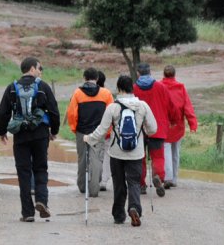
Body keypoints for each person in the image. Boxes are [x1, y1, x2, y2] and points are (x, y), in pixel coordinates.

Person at [83, 75, 157, 226]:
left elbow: (102, 131)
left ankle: (118, 215)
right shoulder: (142, 106)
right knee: (134, 182)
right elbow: (153, 129)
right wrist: (143, 131)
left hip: (116, 152)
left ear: (119, 88)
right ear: (132, 88)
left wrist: (88, 139)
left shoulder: (113, 107)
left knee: (119, 183)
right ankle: (134, 208)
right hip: (136, 153)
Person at [0, 57, 60, 222]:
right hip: (40, 134)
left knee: (24, 173)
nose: (40, 71)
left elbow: (3, 111)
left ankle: (27, 213)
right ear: (32, 68)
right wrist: (53, 131)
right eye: (39, 68)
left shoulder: (12, 88)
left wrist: (2, 131)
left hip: (20, 135)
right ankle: (41, 201)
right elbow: (54, 110)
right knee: (40, 168)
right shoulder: (43, 87)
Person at [133, 63, 179, 197]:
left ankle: (141, 184)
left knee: (139, 157)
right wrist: (174, 120)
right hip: (158, 128)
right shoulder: (161, 87)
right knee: (158, 156)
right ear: (150, 73)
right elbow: (171, 106)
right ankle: (158, 176)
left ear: (138, 73)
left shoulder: (134, 88)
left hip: (139, 128)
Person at [67, 67, 114, 197]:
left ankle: (82, 186)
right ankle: (94, 188)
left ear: (84, 78)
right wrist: (107, 130)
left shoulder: (77, 93)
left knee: (82, 158)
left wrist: (75, 129)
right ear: (97, 78)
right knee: (97, 159)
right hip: (99, 132)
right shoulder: (106, 94)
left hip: (82, 131)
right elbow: (111, 114)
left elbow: (71, 114)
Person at [160, 65, 198, 189]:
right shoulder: (180, 87)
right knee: (175, 152)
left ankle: (168, 177)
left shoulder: (159, 86)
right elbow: (187, 107)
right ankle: (174, 178)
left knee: (165, 151)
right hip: (178, 125)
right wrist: (193, 124)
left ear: (164, 75)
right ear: (174, 75)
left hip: (164, 124)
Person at [97, 70, 111, 191]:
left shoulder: (82, 93)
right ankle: (104, 180)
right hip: (106, 130)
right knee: (107, 154)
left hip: (91, 129)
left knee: (95, 154)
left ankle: (96, 177)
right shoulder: (107, 93)